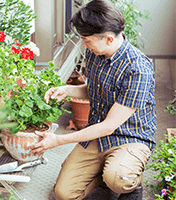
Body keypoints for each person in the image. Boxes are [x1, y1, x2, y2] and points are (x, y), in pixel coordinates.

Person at [29, 0, 156, 199]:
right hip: (98, 135)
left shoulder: (138, 69)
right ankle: (105, 175)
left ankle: (127, 180)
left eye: (86, 40)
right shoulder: (95, 52)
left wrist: (58, 140)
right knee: (64, 194)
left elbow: (109, 126)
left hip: (131, 137)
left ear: (108, 39)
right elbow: (95, 89)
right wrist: (67, 90)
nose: (84, 44)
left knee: (120, 178)